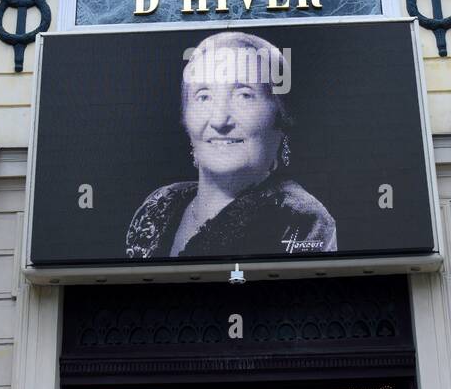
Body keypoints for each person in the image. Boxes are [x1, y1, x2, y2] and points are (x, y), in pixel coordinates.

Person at [126, 31, 338, 260]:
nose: (219, 120)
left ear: (281, 118)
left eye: (244, 95)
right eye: (204, 96)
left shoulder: (300, 218)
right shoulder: (160, 204)